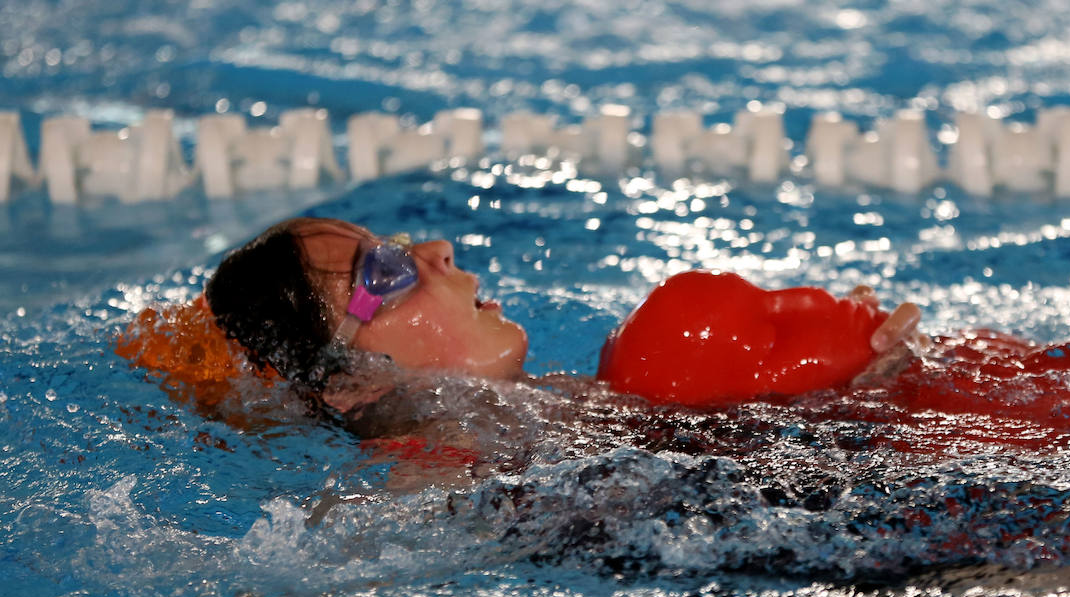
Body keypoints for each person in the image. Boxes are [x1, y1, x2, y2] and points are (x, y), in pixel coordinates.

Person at [119, 216, 930, 416]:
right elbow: (323, 584)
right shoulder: (432, 461)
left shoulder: (549, 400)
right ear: (351, 382)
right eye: (385, 271)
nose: (432, 247)